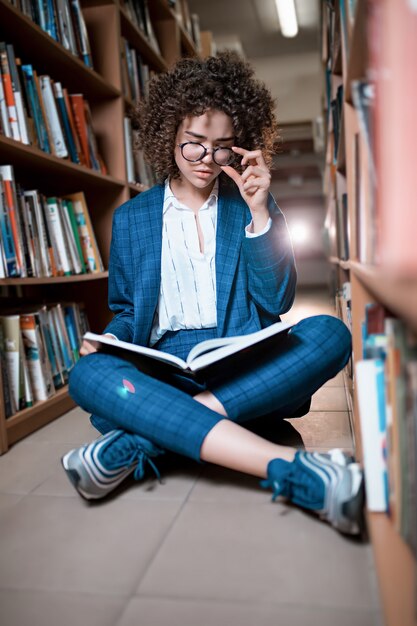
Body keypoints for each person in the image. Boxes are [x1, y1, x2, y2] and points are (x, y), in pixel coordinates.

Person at [62, 52, 363, 536]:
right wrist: (108, 340)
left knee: (330, 333)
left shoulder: (251, 203)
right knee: (88, 373)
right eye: (194, 145)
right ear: (169, 137)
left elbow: (277, 301)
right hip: (160, 369)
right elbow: (125, 311)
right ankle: (289, 466)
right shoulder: (132, 218)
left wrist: (260, 212)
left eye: (222, 148)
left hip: (241, 361)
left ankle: (146, 436)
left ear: (240, 147)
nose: (207, 160)